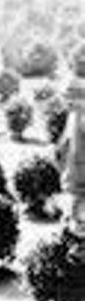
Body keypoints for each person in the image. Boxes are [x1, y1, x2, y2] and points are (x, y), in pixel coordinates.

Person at [57, 77, 85, 227]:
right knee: (74, 203)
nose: (68, 103)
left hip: (80, 174)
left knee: (78, 202)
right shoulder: (73, 115)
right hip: (73, 171)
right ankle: (73, 221)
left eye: (71, 99)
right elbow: (66, 140)